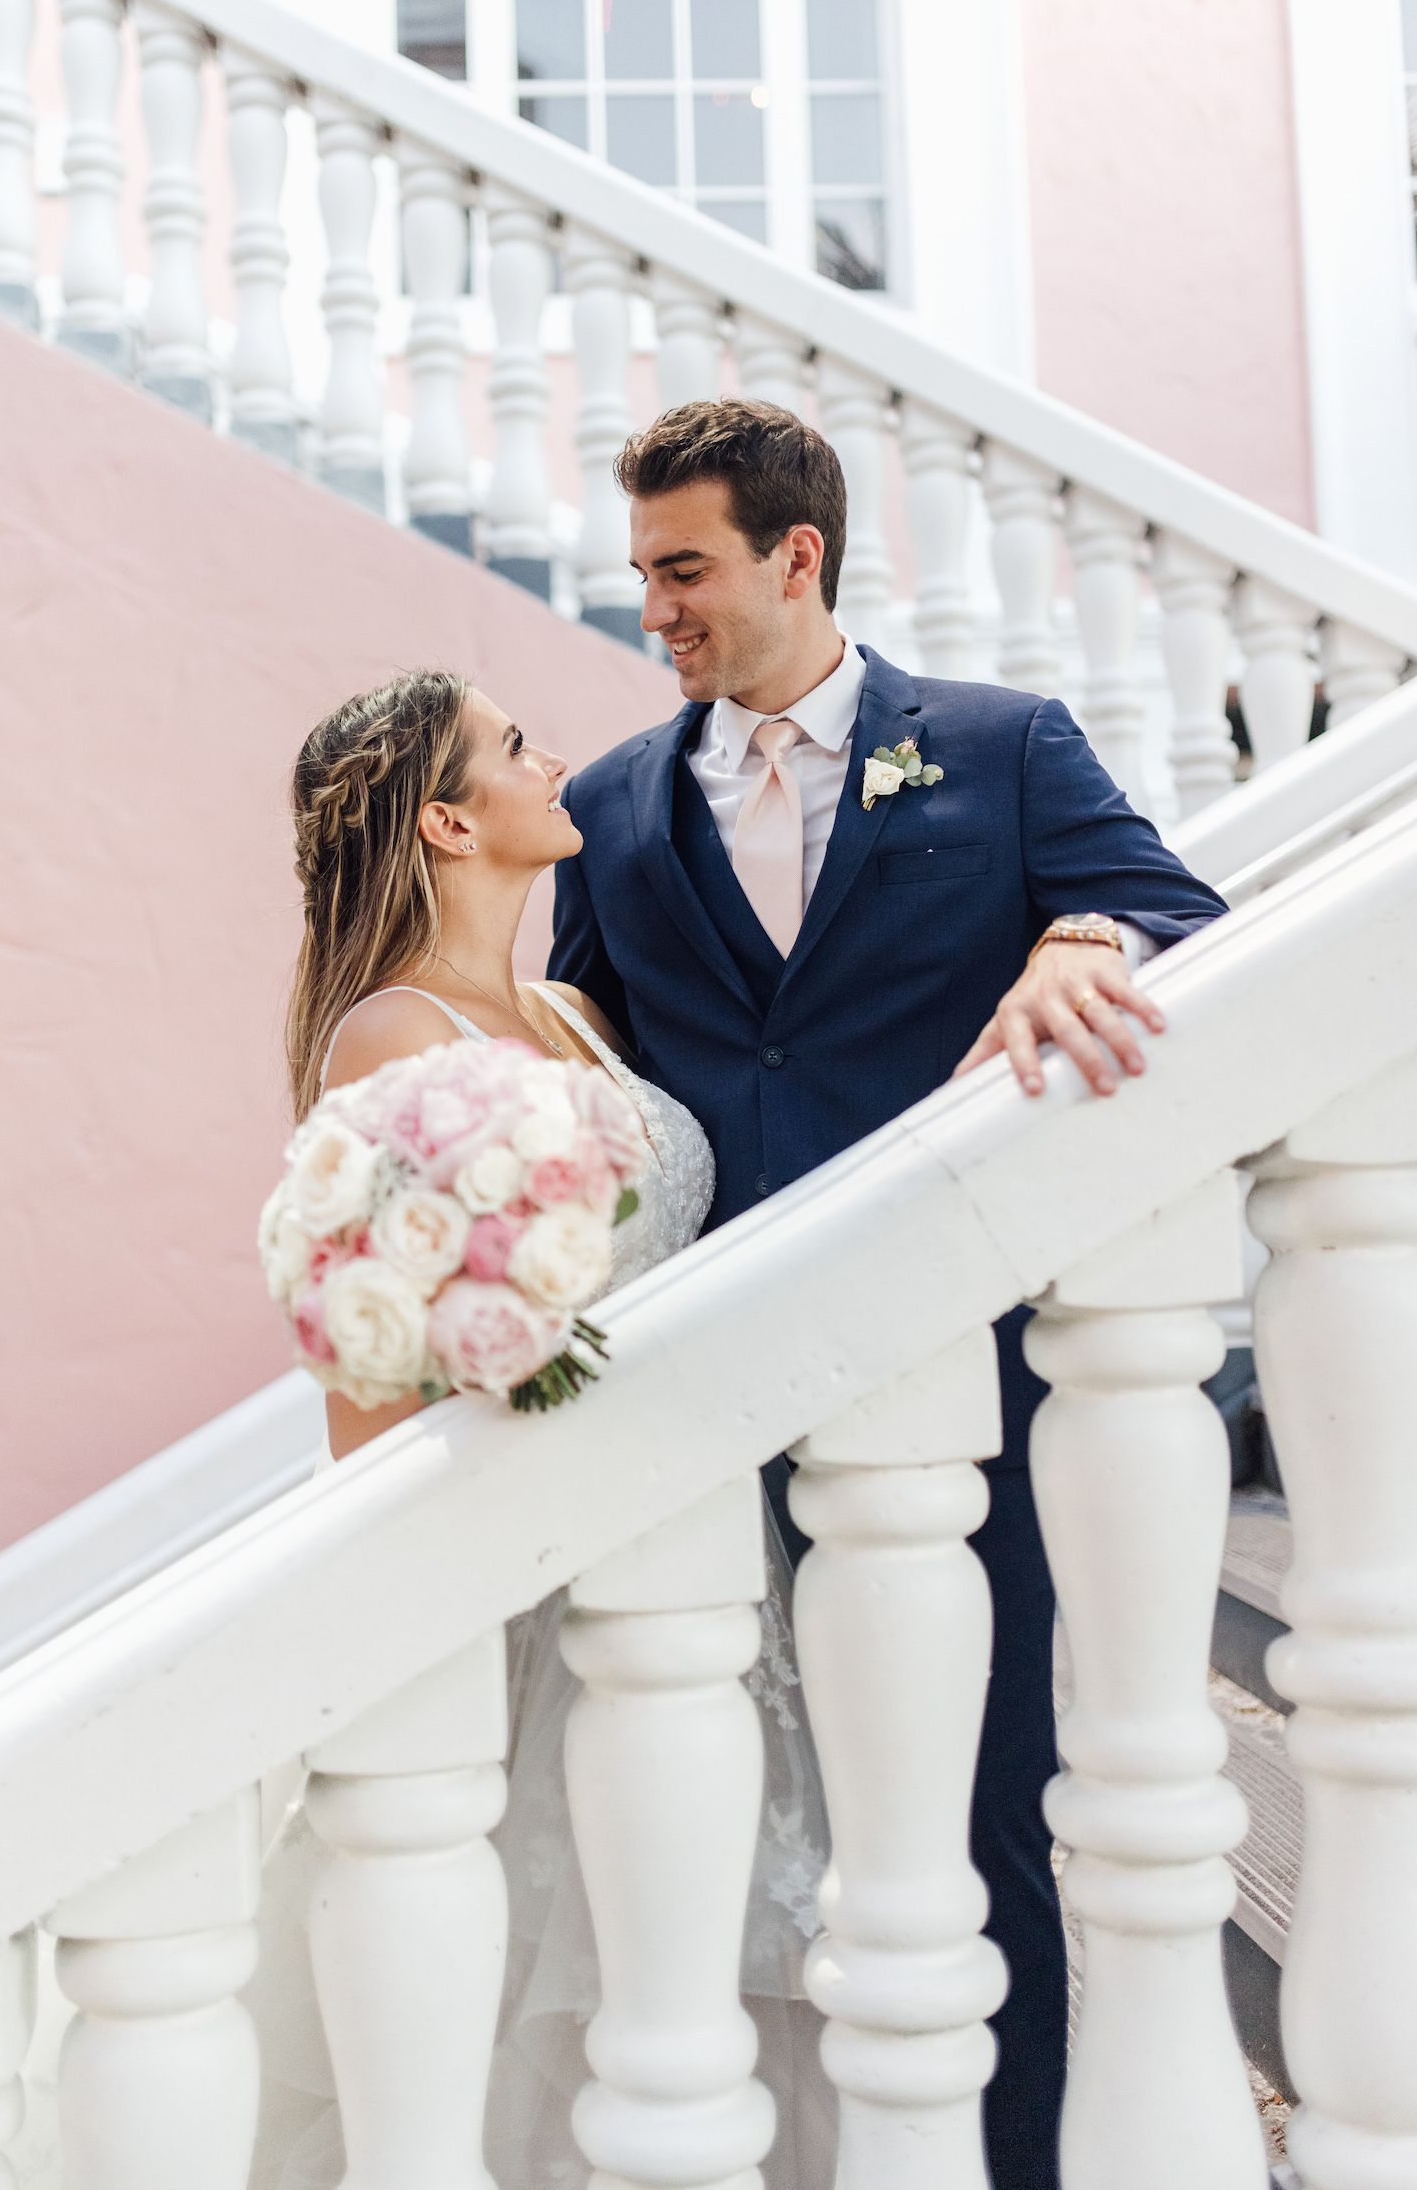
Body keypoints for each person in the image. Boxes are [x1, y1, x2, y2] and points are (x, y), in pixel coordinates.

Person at [546, 398, 1230, 2190]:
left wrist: (1084, 935)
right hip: (710, 1389)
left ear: (799, 557)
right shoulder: (614, 801)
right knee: (719, 1807)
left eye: (685, 570)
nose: (658, 611)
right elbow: (587, 1070)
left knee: (977, 1805)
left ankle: (1011, 2164)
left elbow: (1174, 906)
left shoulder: (1000, 749)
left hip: (955, 1386)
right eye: (642, 576)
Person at [248, 670, 836, 2190]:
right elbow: (368, 1365)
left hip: (692, 1537)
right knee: (558, 1989)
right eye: (516, 748)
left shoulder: (573, 1009)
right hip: (544, 1572)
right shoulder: (391, 1040)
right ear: (449, 817)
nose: (553, 760)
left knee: (692, 1962)